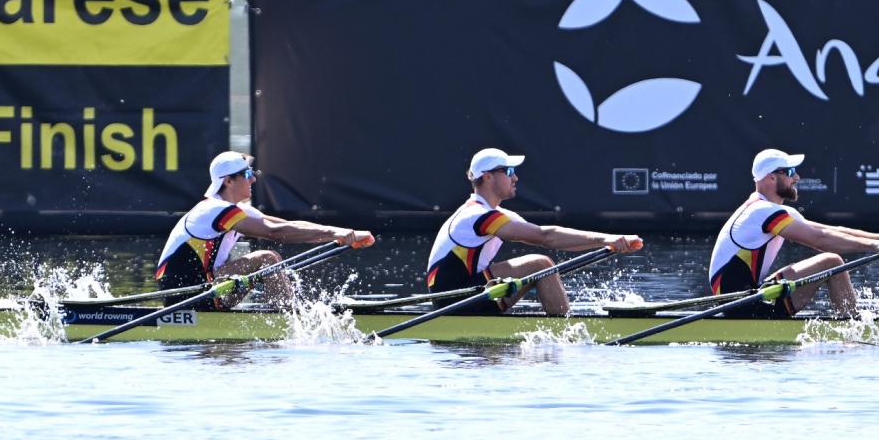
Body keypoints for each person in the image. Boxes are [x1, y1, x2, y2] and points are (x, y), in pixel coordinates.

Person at [425, 148, 642, 315]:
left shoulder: (494, 214)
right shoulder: (477, 215)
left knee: (542, 265)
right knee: (540, 265)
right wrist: (607, 238)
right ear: (488, 176)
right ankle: (567, 333)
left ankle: (564, 326)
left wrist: (609, 243)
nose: (515, 178)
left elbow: (550, 236)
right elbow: (545, 237)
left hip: (467, 294)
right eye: (509, 171)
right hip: (453, 300)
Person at [708, 149, 879, 318]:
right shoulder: (762, 212)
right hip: (741, 305)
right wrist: (875, 247)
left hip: (750, 296)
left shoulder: (771, 210)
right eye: (790, 172)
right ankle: (854, 327)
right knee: (832, 262)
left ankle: (851, 320)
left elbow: (830, 231)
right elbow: (820, 240)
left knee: (831, 261)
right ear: (771, 177)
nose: (796, 177)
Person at [155, 152, 375, 310]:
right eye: (247, 173)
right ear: (228, 181)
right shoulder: (214, 209)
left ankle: (287, 313)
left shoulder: (236, 210)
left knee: (269, 262)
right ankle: (287, 320)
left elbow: (289, 225)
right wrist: (336, 234)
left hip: (208, 287)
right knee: (267, 259)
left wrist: (347, 233)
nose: (253, 178)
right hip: (185, 293)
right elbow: (274, 232)